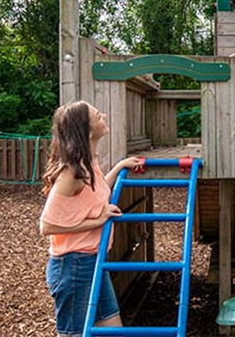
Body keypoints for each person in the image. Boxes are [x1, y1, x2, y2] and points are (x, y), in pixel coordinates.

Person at [39, 101, 143, 336]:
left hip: (91, 260)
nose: (103, 115)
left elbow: (95, 196)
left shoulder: (88, 163)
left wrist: (119, 167)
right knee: (74, 333)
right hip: (73, 264)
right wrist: (98, 221)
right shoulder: (71, 172)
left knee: (113, 329)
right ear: (86, 129)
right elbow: (47, 225)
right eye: (97, 116)